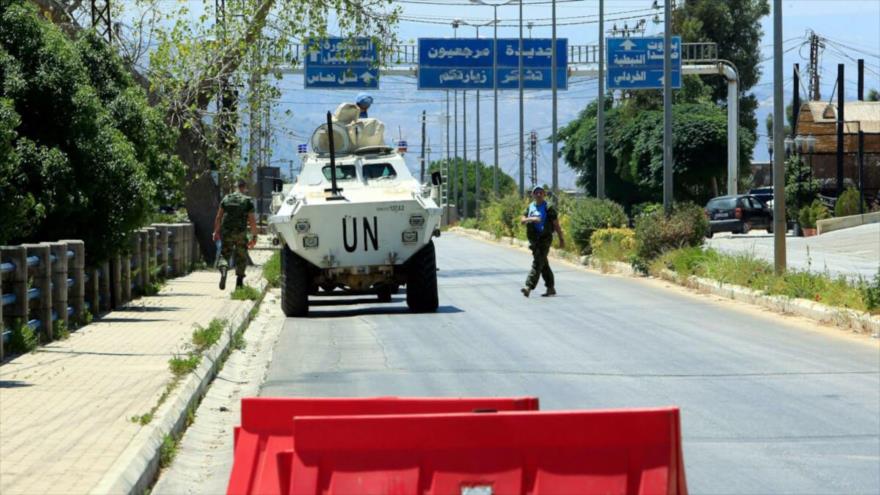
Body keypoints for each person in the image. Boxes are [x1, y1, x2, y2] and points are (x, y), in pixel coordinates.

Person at [213, 179, 258, 290]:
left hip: (227, 232)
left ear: (235, 187)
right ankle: (239, 283)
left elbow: (218, 217)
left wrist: (216, 232)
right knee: (241, 257)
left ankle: (224, 269)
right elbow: (252, 220)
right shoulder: (247, 201)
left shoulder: (226, 199)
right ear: (244, 188)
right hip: (240, 233)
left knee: (224, 254)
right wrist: (254, 237)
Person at [520, 185, 564, 297]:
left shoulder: (548, 207)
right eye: (536, 192)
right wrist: (533, 219)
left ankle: (528, 287)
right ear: (533, 195)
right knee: (543, 263)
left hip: (545, 239)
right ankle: (550, 288)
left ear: (544, 194)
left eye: (541, 192)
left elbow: (556, 224)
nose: (539, 194)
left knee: (537, 263)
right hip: (534, 240)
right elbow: (522, 220)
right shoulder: (530, 207)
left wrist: (561, 239)